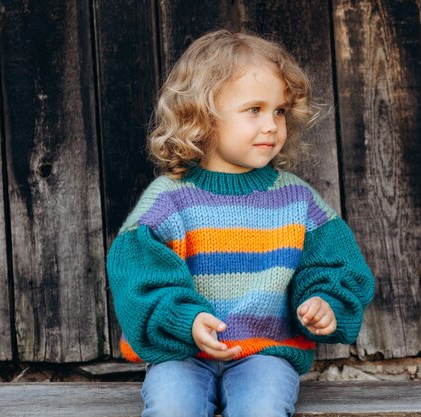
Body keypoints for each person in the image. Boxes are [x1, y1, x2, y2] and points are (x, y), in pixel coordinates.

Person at [107, 29, 376, 417]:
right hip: (182, 354)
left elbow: (335, 267)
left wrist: (323, 302)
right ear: (202, 115)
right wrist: (188, 320)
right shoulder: (168, 200)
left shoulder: (298, 200)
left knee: (263, 408)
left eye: (279, 111)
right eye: (254, 110)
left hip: (265, 353)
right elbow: (139, 280)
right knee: (171, 408)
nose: (271, 125)